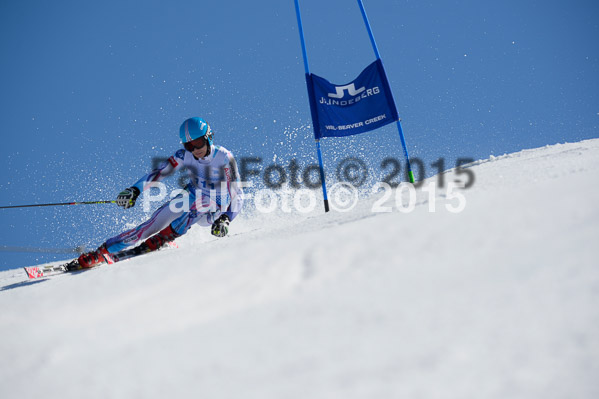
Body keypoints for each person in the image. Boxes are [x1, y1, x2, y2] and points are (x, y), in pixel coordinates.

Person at [78, 117, 244, 268]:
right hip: (194, 195)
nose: (195, 149)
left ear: (208, 137)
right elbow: (158, 173)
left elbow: (238, 194)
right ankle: (102, 252)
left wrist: (225, 219)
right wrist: (135, 190)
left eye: (198, 142)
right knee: (152, 224)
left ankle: (162, 239)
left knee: (200, 205)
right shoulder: (183, 155)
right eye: (189, 145)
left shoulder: (224, 157)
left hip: (216, 209)